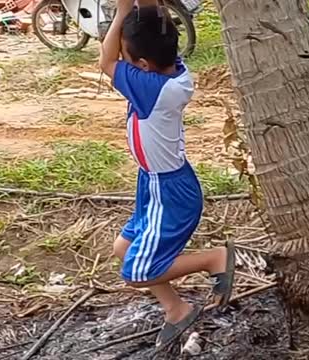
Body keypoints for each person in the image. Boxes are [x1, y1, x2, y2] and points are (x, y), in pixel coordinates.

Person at [98, 0, 236, 349]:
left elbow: (106, 61)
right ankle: (176, 309)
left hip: (168, 192)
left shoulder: (151, 89)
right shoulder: (173, 71)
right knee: (123, 248)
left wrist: (120, 12)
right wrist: (138, 8)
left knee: (136, 272)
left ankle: (214, 259)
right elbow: (144, 31)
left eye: (130, 60)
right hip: (156, 185)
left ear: (142, 65)